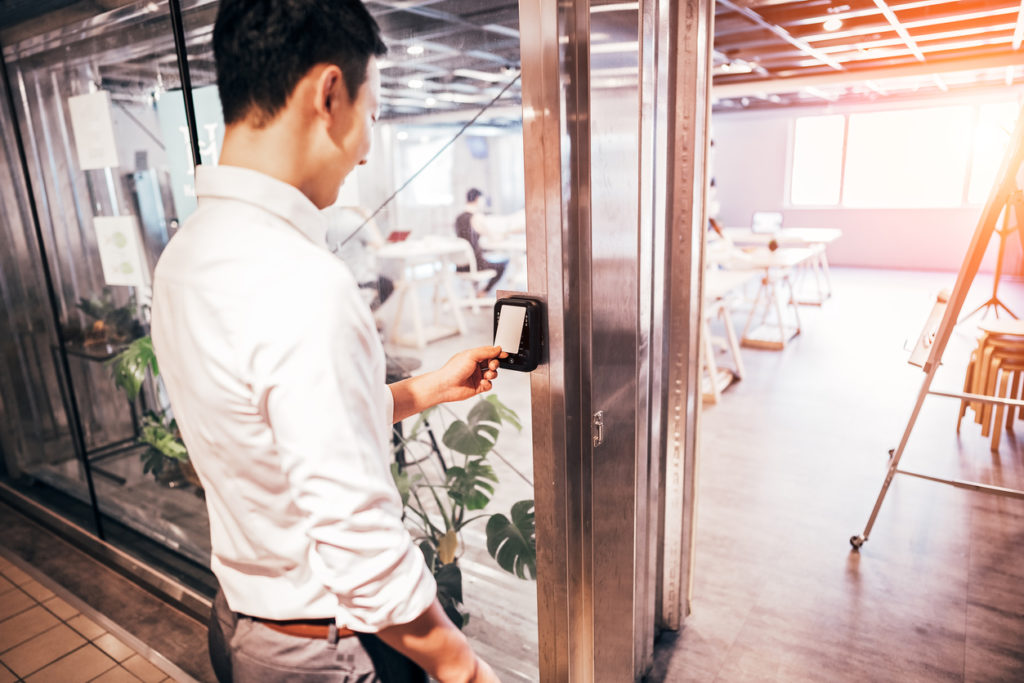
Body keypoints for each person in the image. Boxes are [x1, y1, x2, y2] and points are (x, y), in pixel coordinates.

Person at [149, 2, 502, 681]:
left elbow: (280, 432)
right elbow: (360, 543)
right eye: (373, 112)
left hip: (241, 622)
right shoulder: (303, 281)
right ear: (330, 94)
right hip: (322, 651)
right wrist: (466, 669)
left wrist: (431, 386)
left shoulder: (184, 255)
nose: (368, 146)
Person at [324, 204, 393, 311]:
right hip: (361, 280)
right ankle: (370, 317)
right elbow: (379, 245)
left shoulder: (332, 221)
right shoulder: (357, 222)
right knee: (389, 285)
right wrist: (369, 219)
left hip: (341, 277)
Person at [454, 188, 507, 294]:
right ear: (478, 199)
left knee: (484, 256)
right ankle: (484, 292)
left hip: (461, 265)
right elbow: (492, 236)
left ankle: (477, 291)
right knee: (504, 263)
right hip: (475, 265)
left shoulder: (458, 218)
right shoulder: (476, 217)